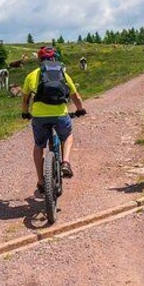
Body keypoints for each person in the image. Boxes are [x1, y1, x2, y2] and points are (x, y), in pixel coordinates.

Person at [21, 46, 86, 193]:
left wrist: (25, 113)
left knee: (39, 145)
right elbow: (76, 97)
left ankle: (40, 180)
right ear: (55, 59)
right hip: (60, 114)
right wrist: (80, 109)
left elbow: (25, 100)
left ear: (39, 60)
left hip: (39, 116)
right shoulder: (63, 74)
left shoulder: (32, 75)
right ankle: (66, 162)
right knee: (67, 135)